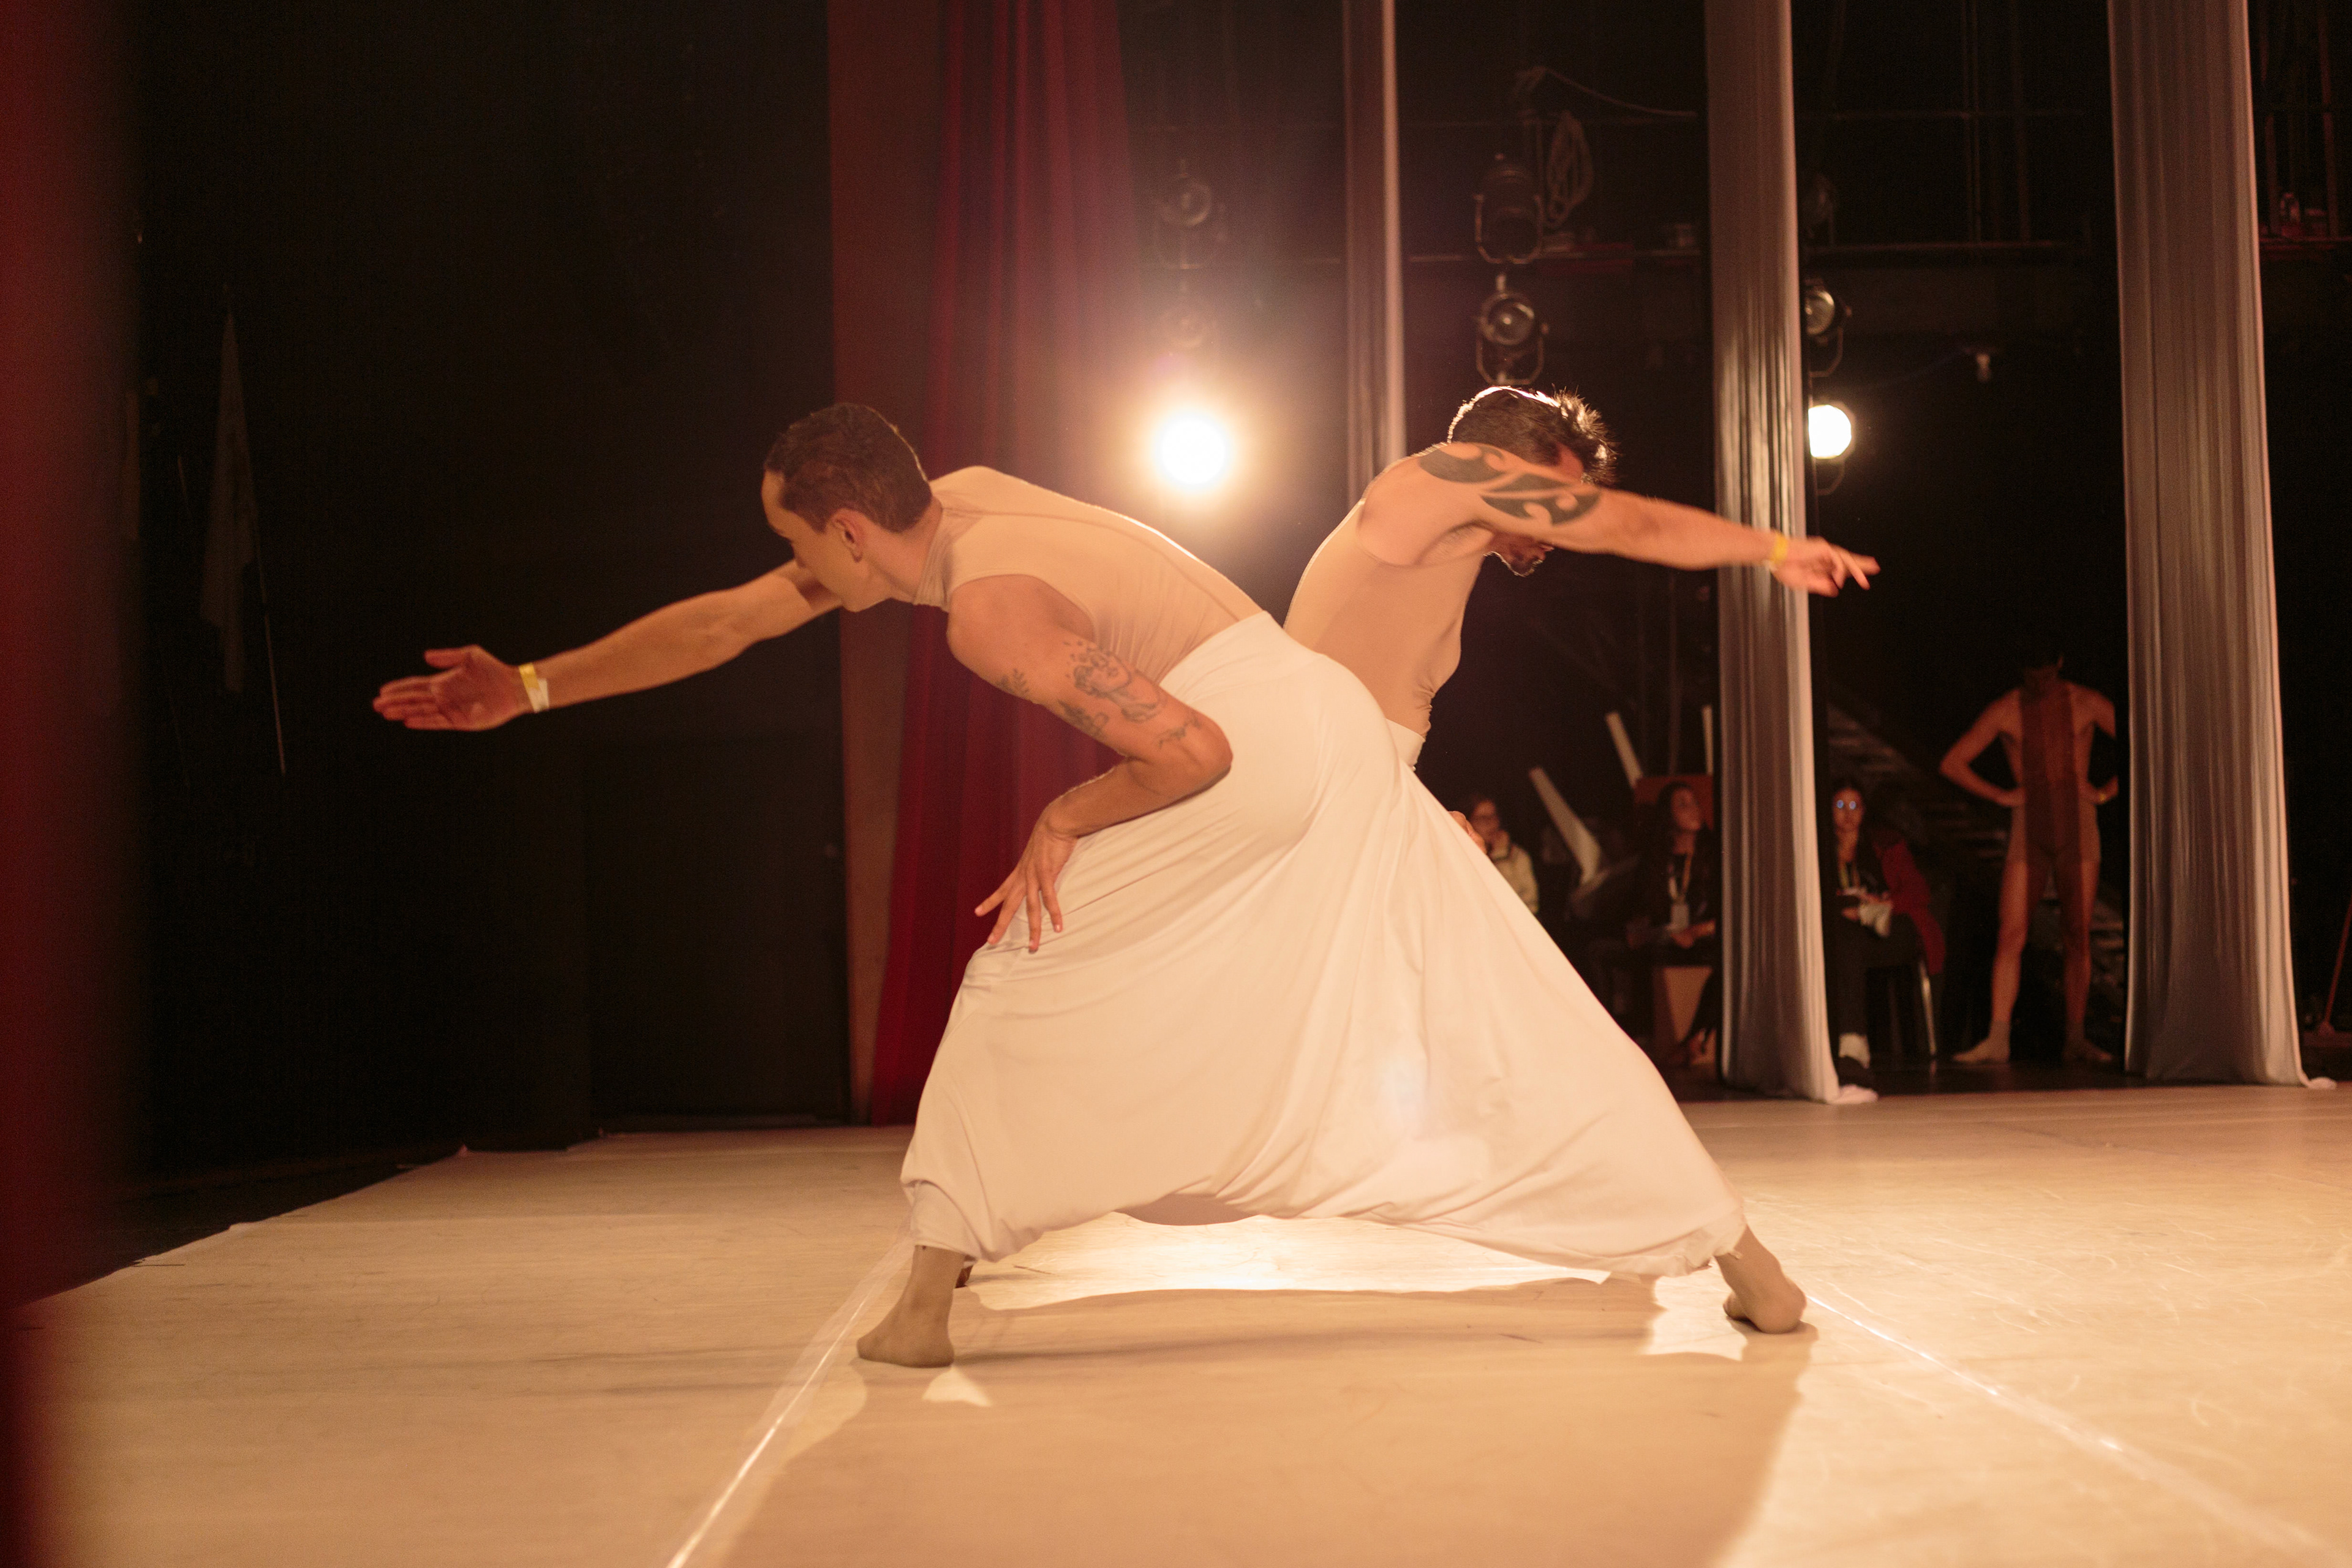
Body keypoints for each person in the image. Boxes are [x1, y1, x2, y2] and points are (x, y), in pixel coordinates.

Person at [374, 403, 1809, 1366]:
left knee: (1025, 970)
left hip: (1259, 744)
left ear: (853, 533)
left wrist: (1065, 807)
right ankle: (1746, 1261)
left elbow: (1189, 748)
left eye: (798, 544)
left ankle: (926, 1302)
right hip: (1326, 731)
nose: (789, 570)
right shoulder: (966, 504)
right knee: (1502, 995)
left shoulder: (989, 612)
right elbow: (728, 625)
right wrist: (533, 685)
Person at [1284, 385, 1878, 769]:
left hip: (1345, 788)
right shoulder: (1443, 475)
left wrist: (1419, 813)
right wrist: (1775, 549)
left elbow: (1374, 731)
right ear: (1503, 465)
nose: (1562, 525)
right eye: (1556, 496)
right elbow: (1633, 527)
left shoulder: (1447, 549)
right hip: (1308, 774)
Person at [1937, 637, 2117, 1066]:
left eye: (2048, 675)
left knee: (2077, 932)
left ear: (2060, 664)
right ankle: (1998, 1037)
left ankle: (2076, 1037)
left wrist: (2105, 793)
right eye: (2033, 677)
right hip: (2029, 825)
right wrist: (1999, 795)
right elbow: (1952, 762)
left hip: (2077, 824)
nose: (2041, 684)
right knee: (2012, 932)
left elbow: (2146, 740)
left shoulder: (2086, 703)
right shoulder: (2006, 709)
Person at [1819, 778, 1945, 1091]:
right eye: (1840, 805)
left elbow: (1919, 892)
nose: (1848, 814)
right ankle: (1853, 1040)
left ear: (1864, 811)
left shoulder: (1886, 844)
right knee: (1845, 933)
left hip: (1889, 932)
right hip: (1844, 933)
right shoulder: (1818, 848)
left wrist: (1884, 902)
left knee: (1853, 935)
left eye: (1854, 806)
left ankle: (1852, 1039)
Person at [1627, 781, 1721, 1068]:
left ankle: (1695, 1038)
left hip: (1705, 937)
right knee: (1612, 951)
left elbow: (1729, 911)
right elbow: (1640, 907)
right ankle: (1637, 1043)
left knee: (1728, 961)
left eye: (1695, 803)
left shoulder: (1714, 856)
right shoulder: (1656, 860)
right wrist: (1641, 928)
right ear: (1668, 815)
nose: (1693, 810)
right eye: (1683, 804)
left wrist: (1696, 931)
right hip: (1666, 938)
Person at [1463, 794, 1539, 914]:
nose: (1490, 823)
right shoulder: (1464, 856)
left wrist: (1501, 858)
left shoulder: (1517, 855)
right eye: (1482, 819)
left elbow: (1530, 904)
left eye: (1493, 816)